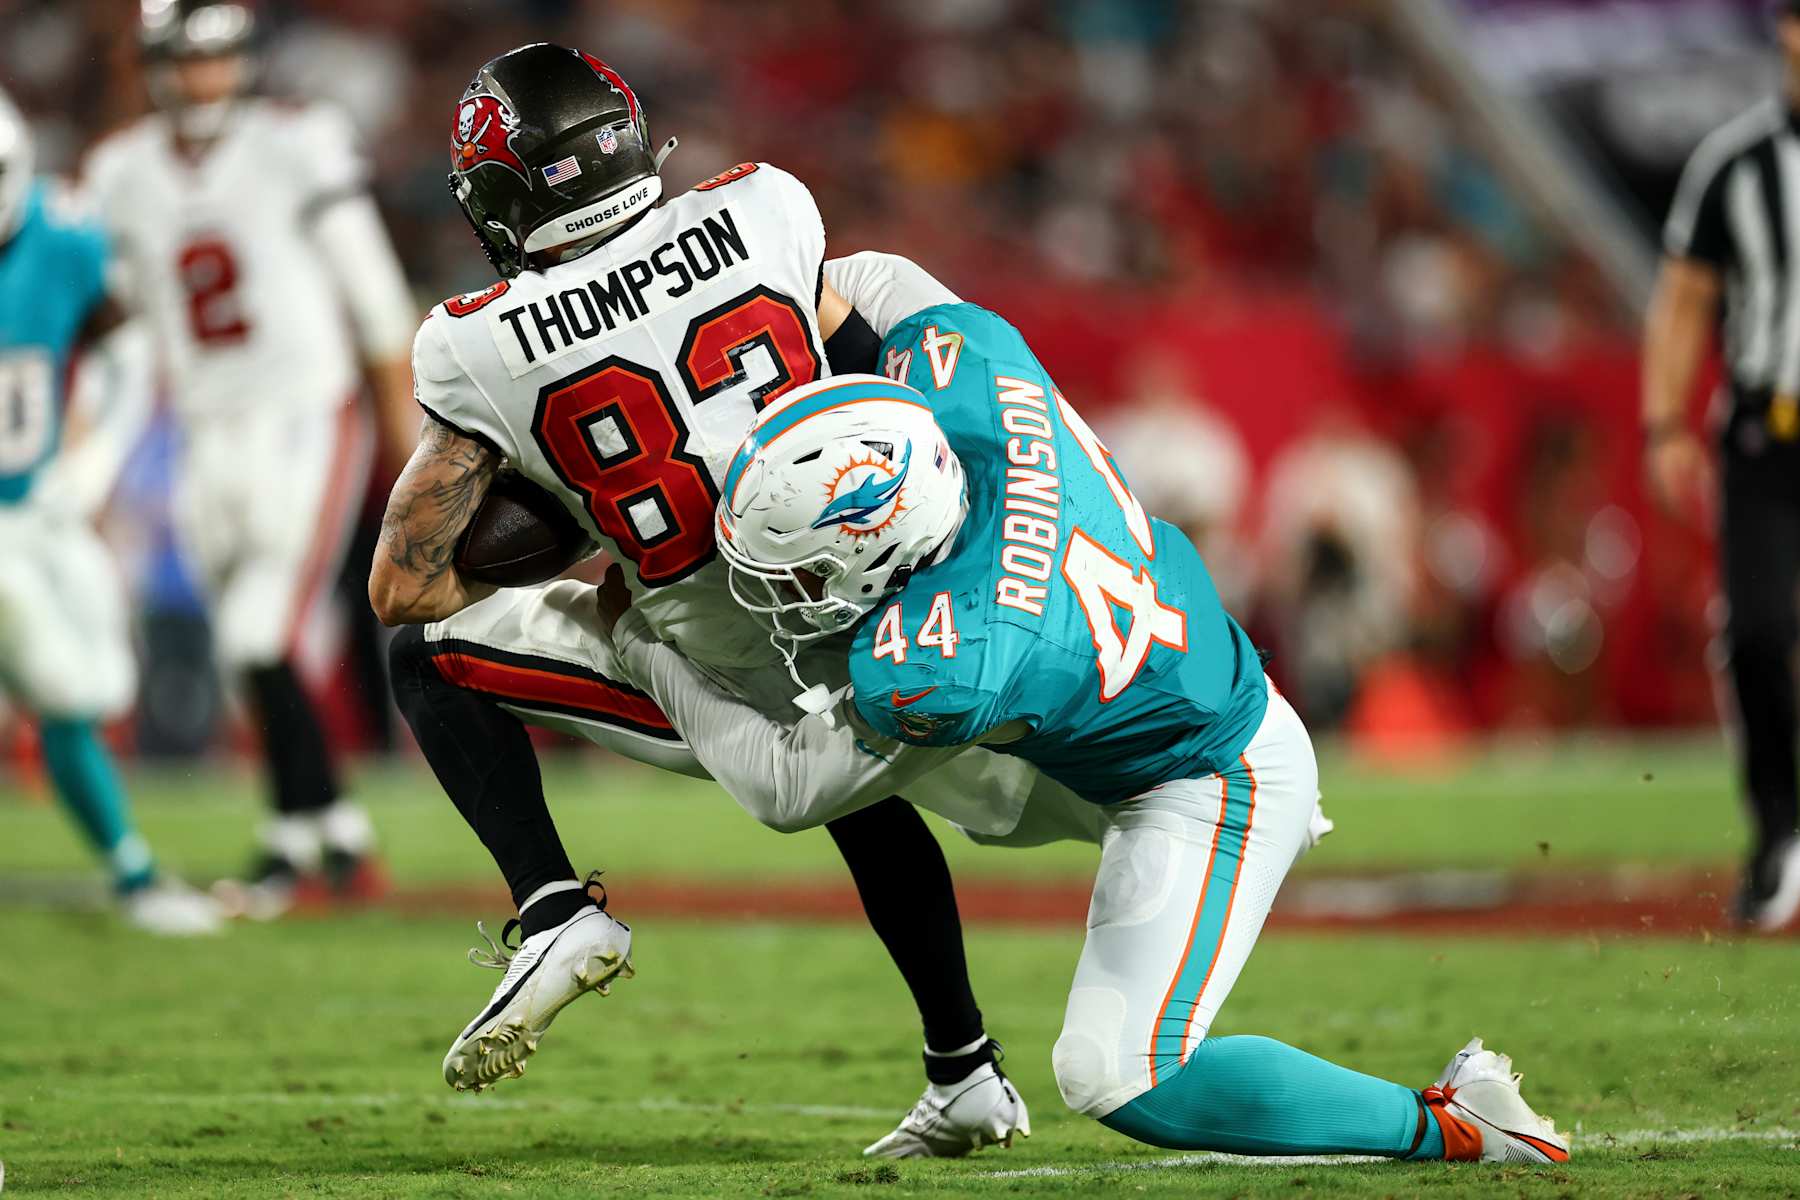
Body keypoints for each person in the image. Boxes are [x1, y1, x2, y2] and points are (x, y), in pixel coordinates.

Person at [595, 303, 1571, 1165]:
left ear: (886, 545)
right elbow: (859, 273)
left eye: (803, 572)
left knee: (1117, 1072)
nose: (784, 593)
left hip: (1206, 773)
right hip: (1113, 708)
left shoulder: (953, 651)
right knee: (845, 709)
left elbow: (786, 791)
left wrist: (643, 647)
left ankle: (1458, 1121)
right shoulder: (968, 377)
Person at [369, 43, 1031, 1157]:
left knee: (423, 655)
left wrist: (594, 505)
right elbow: (871, 373)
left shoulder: (471, 340)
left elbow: (407, 585)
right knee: (872, 796)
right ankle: (962, 1068)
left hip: (717, 673)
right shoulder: (765, 205)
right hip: (874, 617)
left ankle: (552, 909)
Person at [82, 0, 417, 914]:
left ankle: (286, 849)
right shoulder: (122, 171)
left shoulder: (295, 141)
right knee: (247, 657)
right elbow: (119, 320)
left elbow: (377, 300)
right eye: (188, 61)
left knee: (258, 633)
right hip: (201, 423)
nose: (203, 79)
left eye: (218, 58)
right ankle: (337, 836)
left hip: (305, 413)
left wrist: (409, 450)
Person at [0, 86, 221, 936]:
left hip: (43, 508)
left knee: (99, 682)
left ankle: (131, 870)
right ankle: (134, 873)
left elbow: (128, 351)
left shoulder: (62, 240)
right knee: (59, 685)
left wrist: (89, 464)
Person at [1642, 0, 1800, 931]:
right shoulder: (1736, 164)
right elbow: (1683, 298)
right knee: (1757, 631)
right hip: (1765, 433)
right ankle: (1779, 831)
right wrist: (1664, 424)